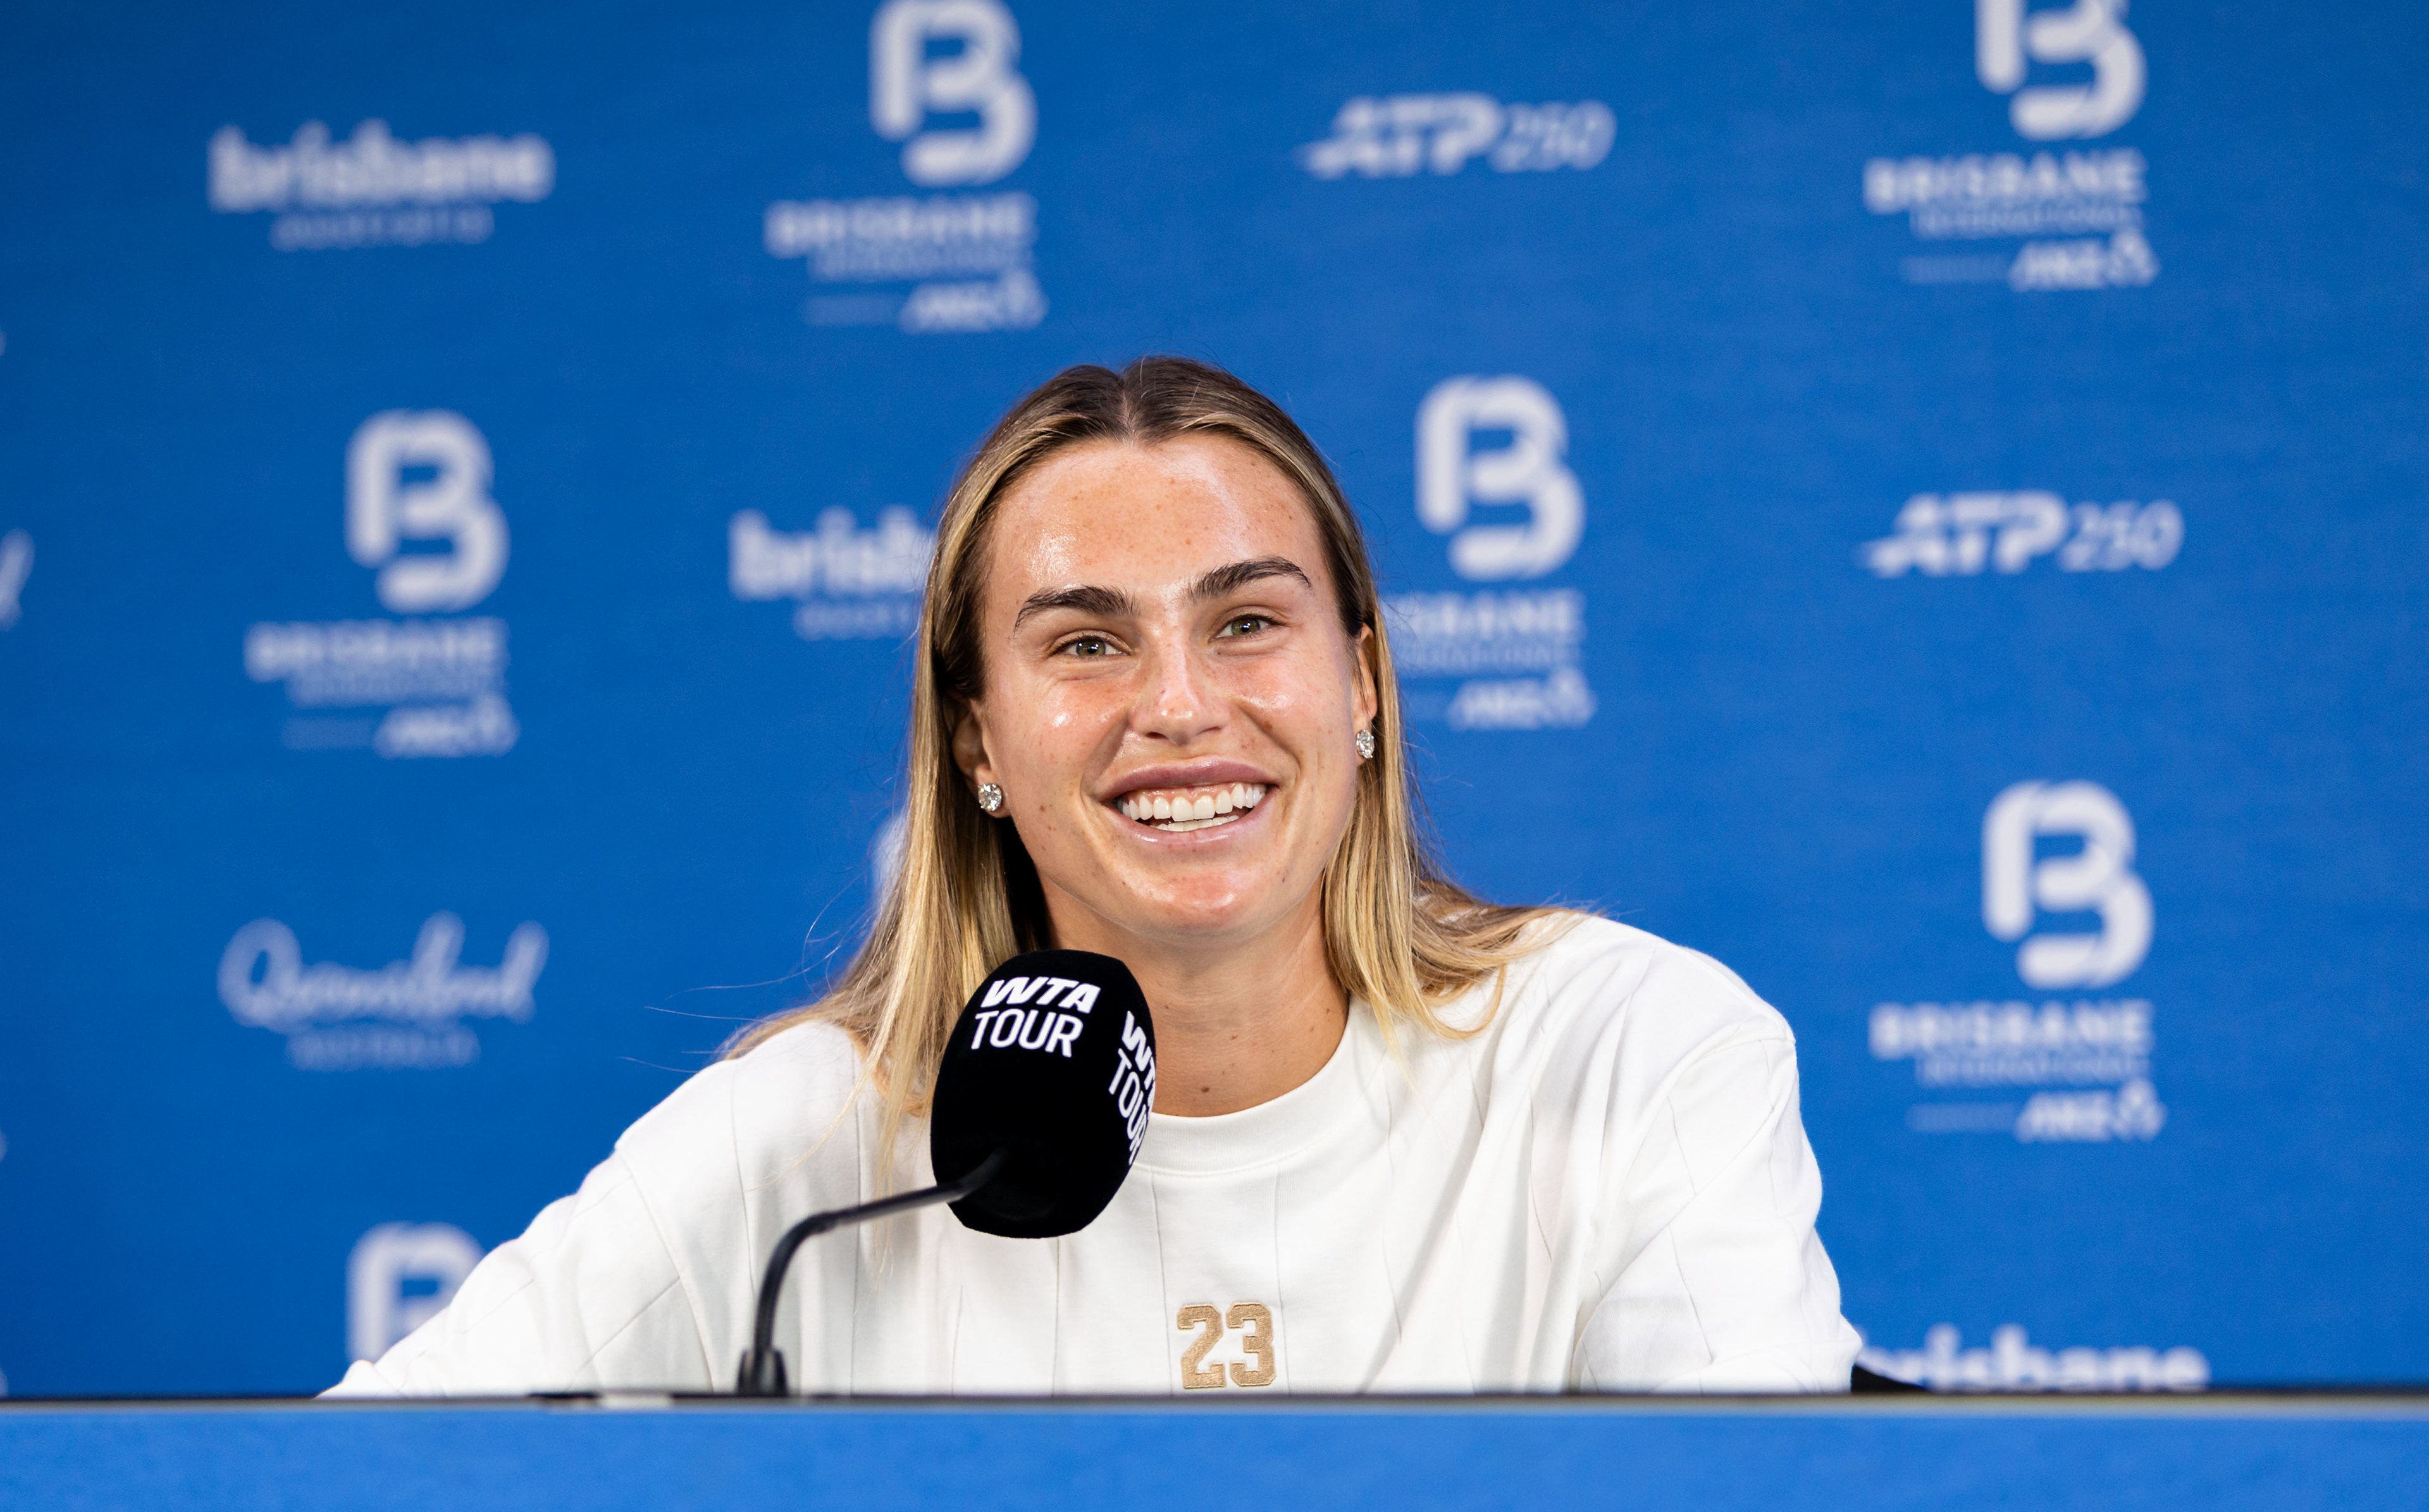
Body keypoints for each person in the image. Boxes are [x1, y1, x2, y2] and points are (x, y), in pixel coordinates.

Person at [331, 357, 1860, 1398]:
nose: (1180, 706)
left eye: (1247, 621)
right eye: (1086, 642)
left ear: (1364, 685)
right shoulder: (814, 1145)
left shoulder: (1635, 1055)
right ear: (978, 739)